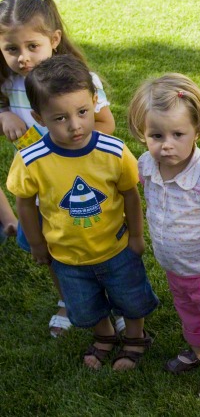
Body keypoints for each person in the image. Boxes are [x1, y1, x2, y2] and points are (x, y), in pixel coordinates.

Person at [6, 55, 158, 370]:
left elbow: (130, 193)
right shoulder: (31, 159)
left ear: (93, 102)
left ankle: (135, 336)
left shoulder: (113, 151)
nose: (75, 125)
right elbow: (24, 202)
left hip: (116, 248)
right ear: (39, 116)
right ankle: (104, 335)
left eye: (83, 112)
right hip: (67, 255)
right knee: (84, 305)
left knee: (132, 297)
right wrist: (36, 243)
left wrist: (137, 235)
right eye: (60, 118)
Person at [0, 0, 116, 336]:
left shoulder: (80, 80)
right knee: (50, 243)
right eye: (11, 49)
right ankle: (67, 299)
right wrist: (4, 113)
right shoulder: (9, 82)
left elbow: (107, 125)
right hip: (39, 183)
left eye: (32, 46)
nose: (23, 58)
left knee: (93, 240)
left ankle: (111, 298)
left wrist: (65, 135)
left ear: (53, 40)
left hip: (80, 178)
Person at [127, 73, 200, 398]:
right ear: (142, 134)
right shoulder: (147, 164)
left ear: (197, 131)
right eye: (156, 135)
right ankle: (197, 348)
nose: (167, 144)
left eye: (178, 134)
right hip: (174, 267)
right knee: (187, 312)